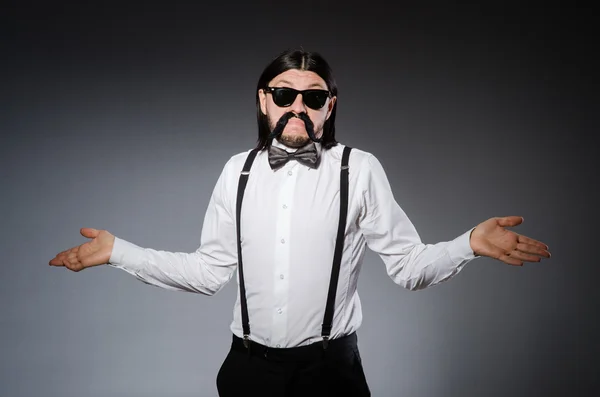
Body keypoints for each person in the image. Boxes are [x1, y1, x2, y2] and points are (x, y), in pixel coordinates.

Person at [49, 49, 551, 397]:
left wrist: (467, 243)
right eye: (284, 94)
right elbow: (208, 274)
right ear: (263, 100)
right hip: (247, 375)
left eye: (312, 98)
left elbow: (408, 267)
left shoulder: (360, 169)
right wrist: (118, 251)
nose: (297, 107)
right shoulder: (236, 171)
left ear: (329, 106)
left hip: (331, 377)